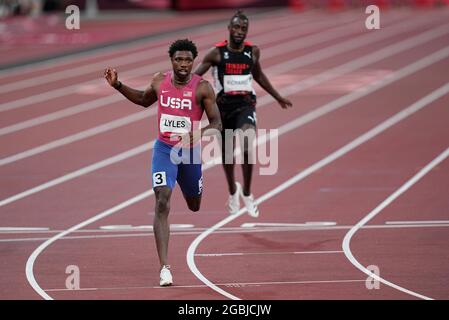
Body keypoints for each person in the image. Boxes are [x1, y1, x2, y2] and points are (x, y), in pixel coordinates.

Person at [104, 39, 222, 287]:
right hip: (164, 150)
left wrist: (198, 134)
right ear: (172, 61)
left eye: (188, 60)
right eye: (178, 59)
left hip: (189, 153)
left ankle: (194, 187)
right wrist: (118, 85)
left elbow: (217, 125)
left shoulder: (203, 88)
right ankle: (165, 268)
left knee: (194, 205)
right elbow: (143, 100)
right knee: (162, 200)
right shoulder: (160, 80)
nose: (183, 64)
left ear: (193, 62)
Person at [194, 10, 292, 217]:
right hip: (221, 109)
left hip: (245, 106)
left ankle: (247, 192)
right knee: (227, 156)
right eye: (236, 28)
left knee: (247, 141)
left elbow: (259, 75)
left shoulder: (253, 52)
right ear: (229, 29)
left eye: (244, 29)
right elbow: (196, 77)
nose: (240, 32)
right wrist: (180, 90)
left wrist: (278, 96)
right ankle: (232, 191)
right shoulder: (216, 53)